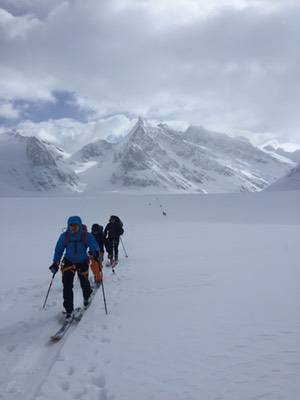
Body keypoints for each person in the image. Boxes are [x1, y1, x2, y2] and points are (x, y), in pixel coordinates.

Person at [49, 216, 100, 320]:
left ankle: (87, 297)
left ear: (79, 225)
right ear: (68, 226)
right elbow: (58, 250)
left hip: (82, 262)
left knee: (84, 282)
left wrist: (94, 253)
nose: (73, 228)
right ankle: (69, 310)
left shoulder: (86, 235)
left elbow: (94, 245)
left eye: (75, 225)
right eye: (71, 226)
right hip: (68, 263)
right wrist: (55, 262)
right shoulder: (65, 236)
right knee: (67, 286)